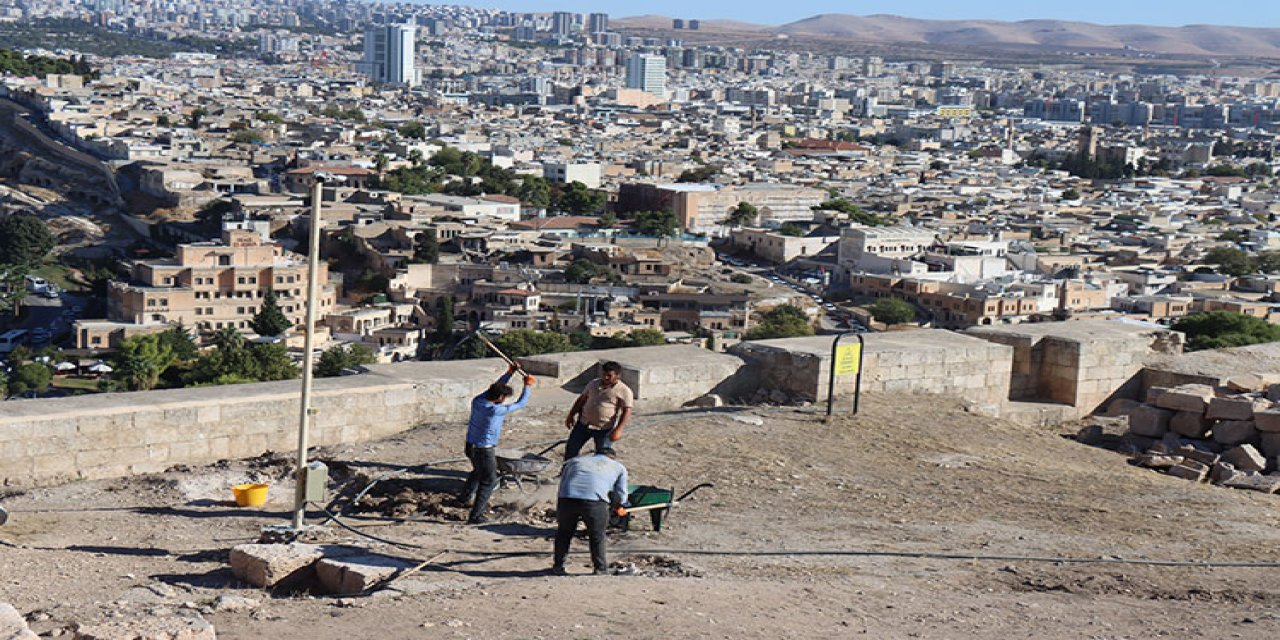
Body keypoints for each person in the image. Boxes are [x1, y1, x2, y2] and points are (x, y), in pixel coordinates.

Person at [459, 363, 535, 524]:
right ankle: (475, 515)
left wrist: (510, 372)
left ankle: (463, 499)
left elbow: (496, 387)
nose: (504, 400)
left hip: (470, 446)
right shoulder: (495, 410)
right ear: (500, 398)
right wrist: (527, 386)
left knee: (477, 472)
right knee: (489, 480)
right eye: (504, 397)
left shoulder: (478, 401)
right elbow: (521, 404)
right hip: (483, 449)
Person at [551, 446, 628, 576]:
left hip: (567, 498)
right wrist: (618, 505)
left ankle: (558, 566)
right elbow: (622, 494)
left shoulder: (574, 461)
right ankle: (600, 569)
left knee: (564, 533)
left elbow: (564, 481)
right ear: (612, 457)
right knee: (597, 535)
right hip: (594, 502)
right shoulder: (618, 467)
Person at [563, 361, 634, 460]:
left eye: (609, 375)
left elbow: (627, 411)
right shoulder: (593, 383)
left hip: (604, 428)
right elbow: (582, 399)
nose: (606, 377)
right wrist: (571, 415)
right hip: (584, 424)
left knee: (602, 456)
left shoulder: (624, 390)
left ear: (618, 375)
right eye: (604, 374)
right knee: (571, 449)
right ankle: (566, 472)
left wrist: (619, 429)